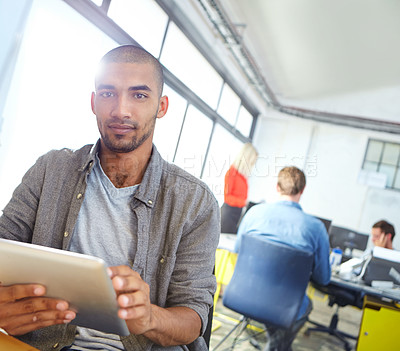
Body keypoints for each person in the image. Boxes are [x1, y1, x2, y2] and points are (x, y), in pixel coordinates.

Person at [0, 45, 220, 351]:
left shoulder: (195, 202)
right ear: (93, 101)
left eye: (139, 95)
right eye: (107, 93)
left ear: (162, 106)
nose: (120, 110)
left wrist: (149, 318)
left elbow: (194, 318)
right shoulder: (50, 170)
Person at [235, 166, 331, 351]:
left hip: (243, 296)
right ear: (302, 191)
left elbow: (239, 249)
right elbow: (323, 278)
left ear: (277, 187)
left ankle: (274, 345)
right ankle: (276, 346)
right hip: (284, 308)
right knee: (303, 304)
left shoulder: (253, 213)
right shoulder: (316, 228)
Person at [220, 143, 258, 234]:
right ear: (246, 159)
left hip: (237, 214)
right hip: (228, 215)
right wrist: (244, 202)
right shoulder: (231, 173)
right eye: (252, 162)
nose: (252, 165)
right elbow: (227, 198)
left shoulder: (243, 176)